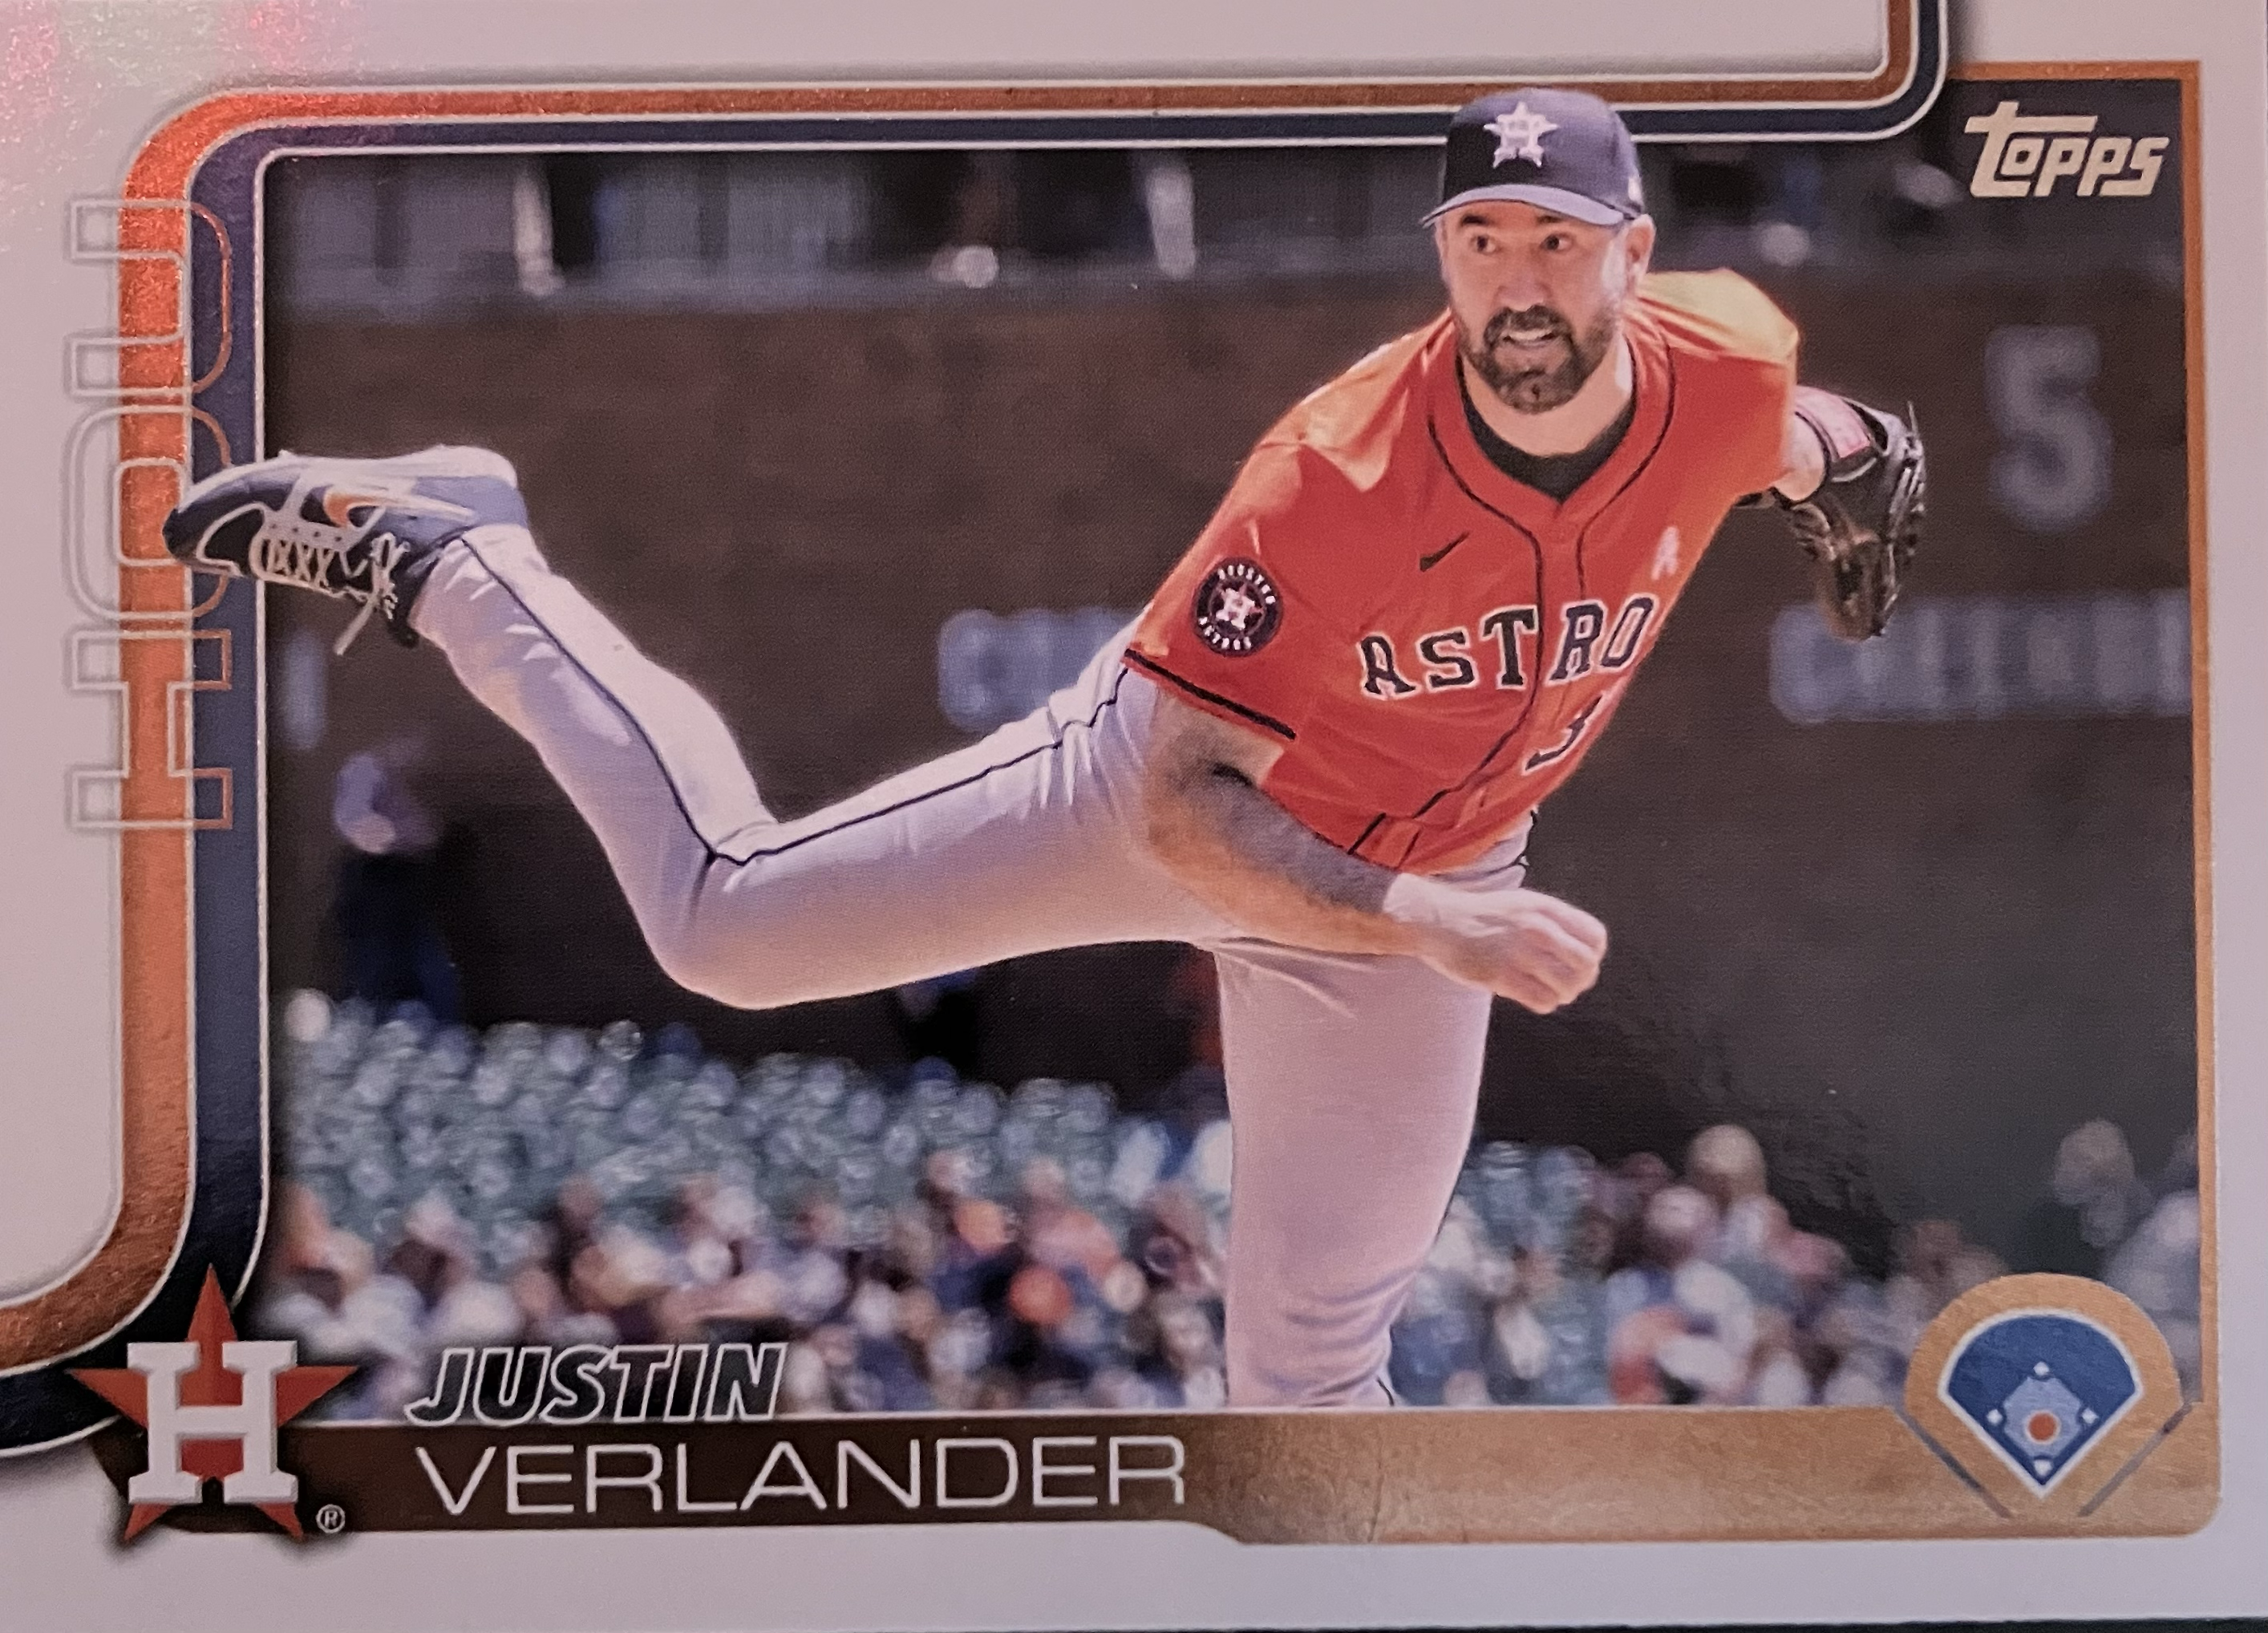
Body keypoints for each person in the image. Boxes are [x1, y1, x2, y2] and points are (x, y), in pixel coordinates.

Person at [163, 87, 1923, 1408]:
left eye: (1555, 239)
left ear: (1635, 250)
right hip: (1173, 806)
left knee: (1311, 1366)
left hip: (1420, 886)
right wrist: (1418, 916)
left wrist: (1865, 484)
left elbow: (1822, 438)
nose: (1518, 283)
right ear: (1438, 258)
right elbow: (1184, 805)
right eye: (1482, 241)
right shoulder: (1337, 480)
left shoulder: (1732, 370)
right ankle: (465, 560)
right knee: (722, 919)